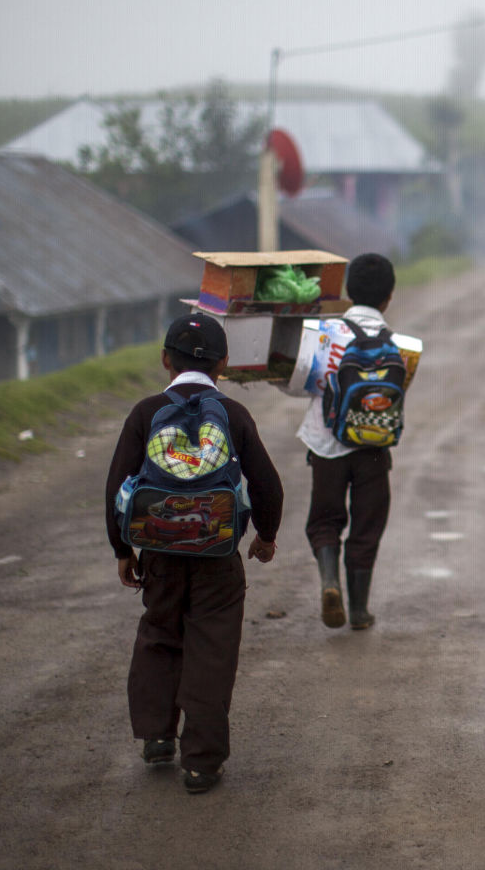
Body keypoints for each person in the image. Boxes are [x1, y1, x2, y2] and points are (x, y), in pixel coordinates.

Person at [104, 312, 284, 793]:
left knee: (160, 636)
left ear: (165, 359)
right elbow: (267, 484)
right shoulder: (234, 415)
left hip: (160, 554)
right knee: (212, 650)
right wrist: (265, 536)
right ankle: (201, 762)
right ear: (224, 363)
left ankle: (158, 736)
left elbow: (117, 484)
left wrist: (123, 549)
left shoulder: (145, 413)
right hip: (218, 558)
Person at [295, 252, 400, 630]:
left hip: (326, 444)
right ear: (389, 296)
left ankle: (329, 582)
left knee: (325, 519)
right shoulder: (398, 344)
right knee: (367, 524)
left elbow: (299, 383)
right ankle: (358, 610)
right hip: (373, 449)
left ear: (348, 292)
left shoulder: (326, 333)